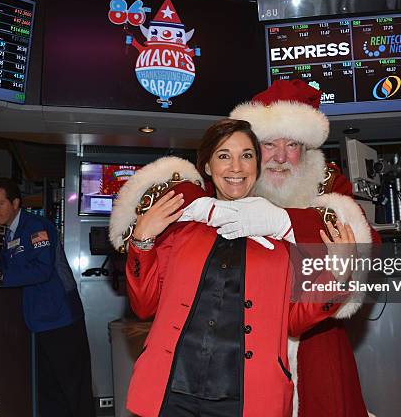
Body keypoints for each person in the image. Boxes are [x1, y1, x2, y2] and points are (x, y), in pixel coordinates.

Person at [112, 119, 358, 417]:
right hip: (172, 389)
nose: (236, 167)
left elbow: (295, 320)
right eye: (224, 156)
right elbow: (144, 304)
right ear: (207, 166)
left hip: (248, 395)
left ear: (257, 164)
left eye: (247, 155)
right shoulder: (181, 228)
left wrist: (339, 275)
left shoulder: (281, 235)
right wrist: (142, 240)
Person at [229, 79, 378, 417]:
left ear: (306, 150)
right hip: (246, 346)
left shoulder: (333, 188)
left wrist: (282, 222)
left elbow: (363, 251)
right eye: (270, 144)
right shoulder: (231, 185)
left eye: (292, 144)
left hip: (316, 342)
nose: (281, 157)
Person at [0, 177, 95, 417]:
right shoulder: (9, 235)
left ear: (15, 203)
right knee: (48, 391)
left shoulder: (36, 226)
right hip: (37, 323)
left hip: (61, 320)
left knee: (74, 388)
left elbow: (42, 271)